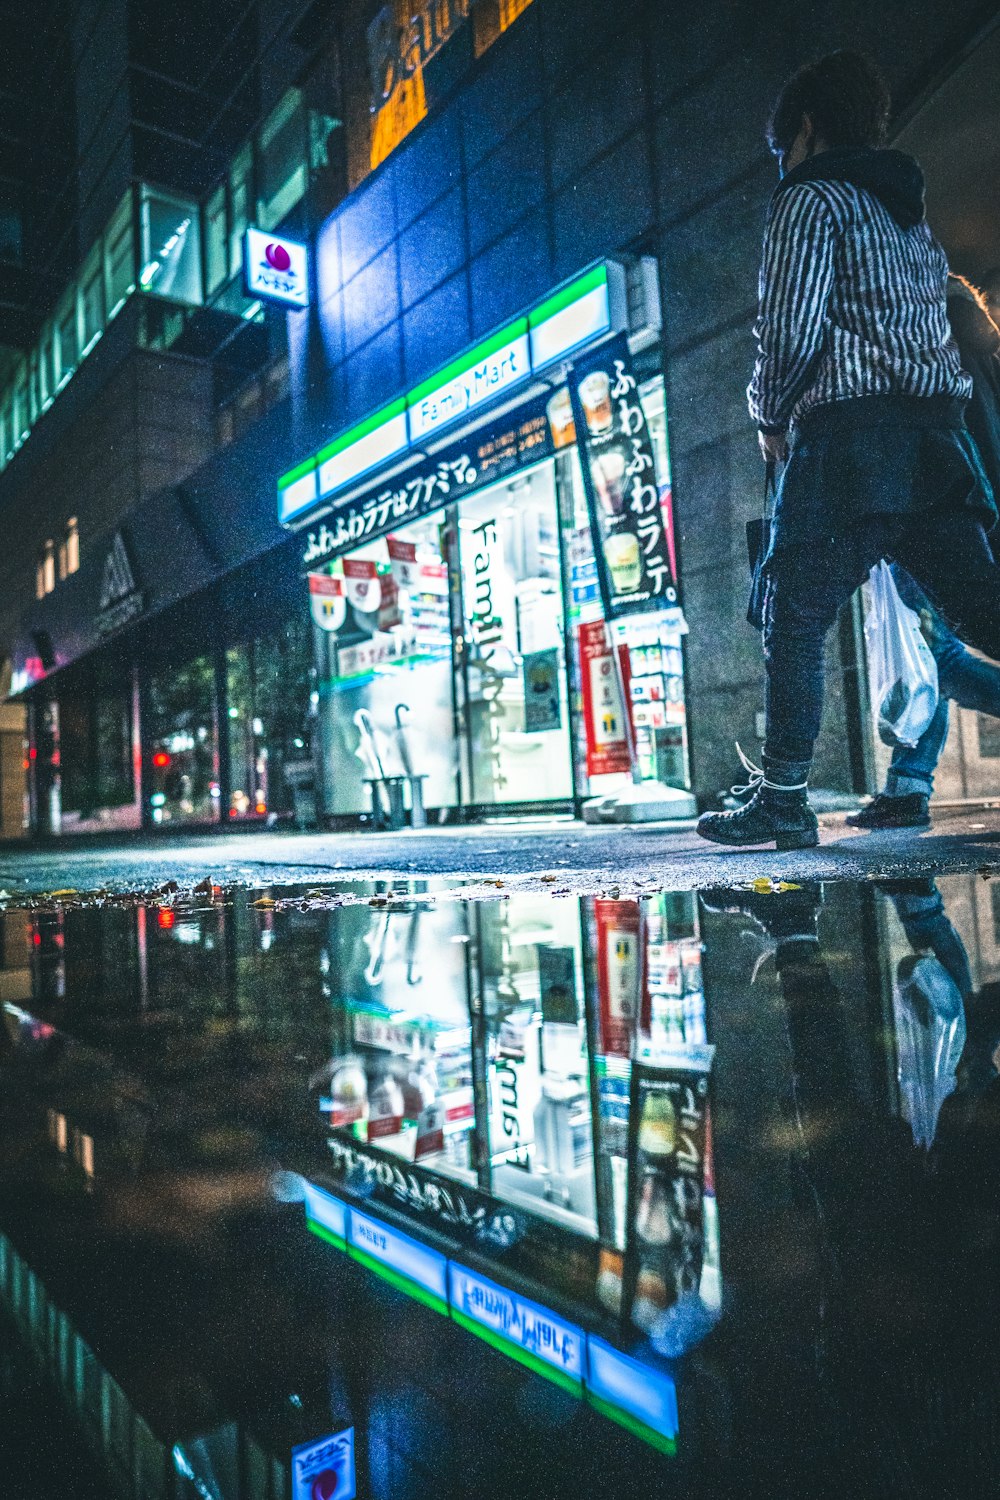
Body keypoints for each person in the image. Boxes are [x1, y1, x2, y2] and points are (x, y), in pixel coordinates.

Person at [697, 51, 1000, 851]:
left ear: (804, 129)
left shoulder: (809, 200)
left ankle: (785, 799)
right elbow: (935, 336)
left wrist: (768, 413)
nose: (781, 164)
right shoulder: (908, 217)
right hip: (933, 441)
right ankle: (786, 796)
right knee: (983, 609)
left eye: (781, 149)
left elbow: (792, 330)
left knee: (793, 618)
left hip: (847, 446)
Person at [848, 276, 1000, 827]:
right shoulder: (983, 356)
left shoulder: (921, 344)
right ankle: (907, 788)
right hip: (975, 505)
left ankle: (908, 788)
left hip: (935, 502)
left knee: (934, 649)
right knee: (942, 654)